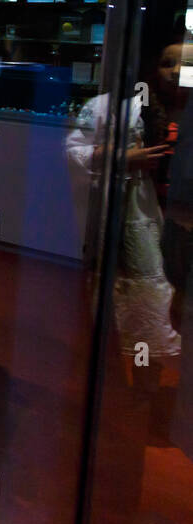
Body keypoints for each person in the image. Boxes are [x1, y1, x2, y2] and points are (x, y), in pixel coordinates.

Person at [66, 42, 183, 366]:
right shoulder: (120, 107)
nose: (175, 72)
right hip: (138, 208)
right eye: (166, 63)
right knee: (143, 281)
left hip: (175, 218)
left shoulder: (181, 110)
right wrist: (123, 157)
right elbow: (75, 152)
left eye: (184, 65)